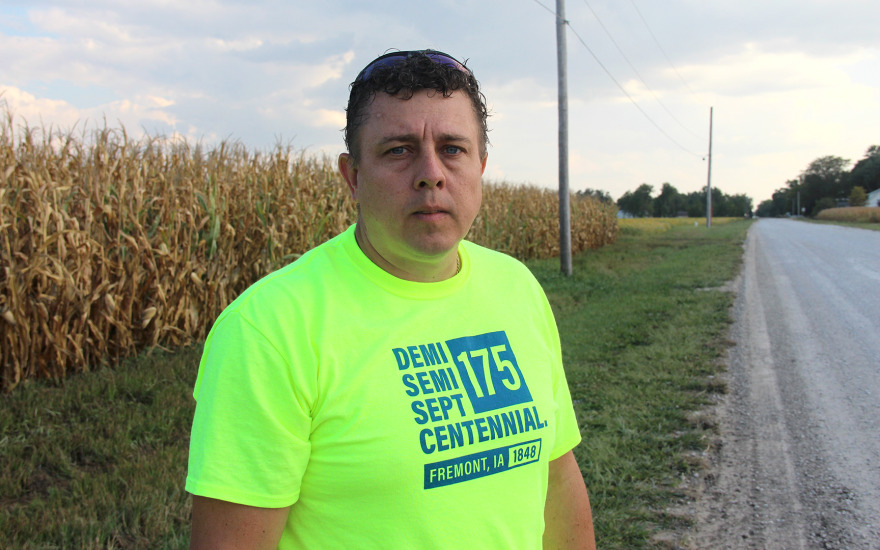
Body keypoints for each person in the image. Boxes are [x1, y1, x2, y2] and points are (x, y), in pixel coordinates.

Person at [186, 49, 596, 550]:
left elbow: (556, 477)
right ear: (352, 176)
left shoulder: (518, 288)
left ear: (481, 167)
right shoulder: (269, 331)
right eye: (399, 150)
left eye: (453, 148)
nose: (431, 173)